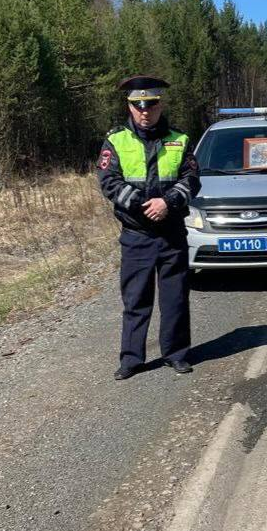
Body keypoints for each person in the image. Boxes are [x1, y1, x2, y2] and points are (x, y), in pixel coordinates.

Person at [97, 76, 201, 380]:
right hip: (136, 235)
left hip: (171, 233)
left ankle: (177, 354)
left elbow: (192, 179)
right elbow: (109, 182)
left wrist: (167, 202)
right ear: (130, 106)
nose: (145, 112)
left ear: (160, 104)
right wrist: (146, 204)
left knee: (176, 298)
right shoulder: (116, 140)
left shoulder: (180, 139)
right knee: (135, 300)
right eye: (138, 106)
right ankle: (131, 359)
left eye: (151, 105)